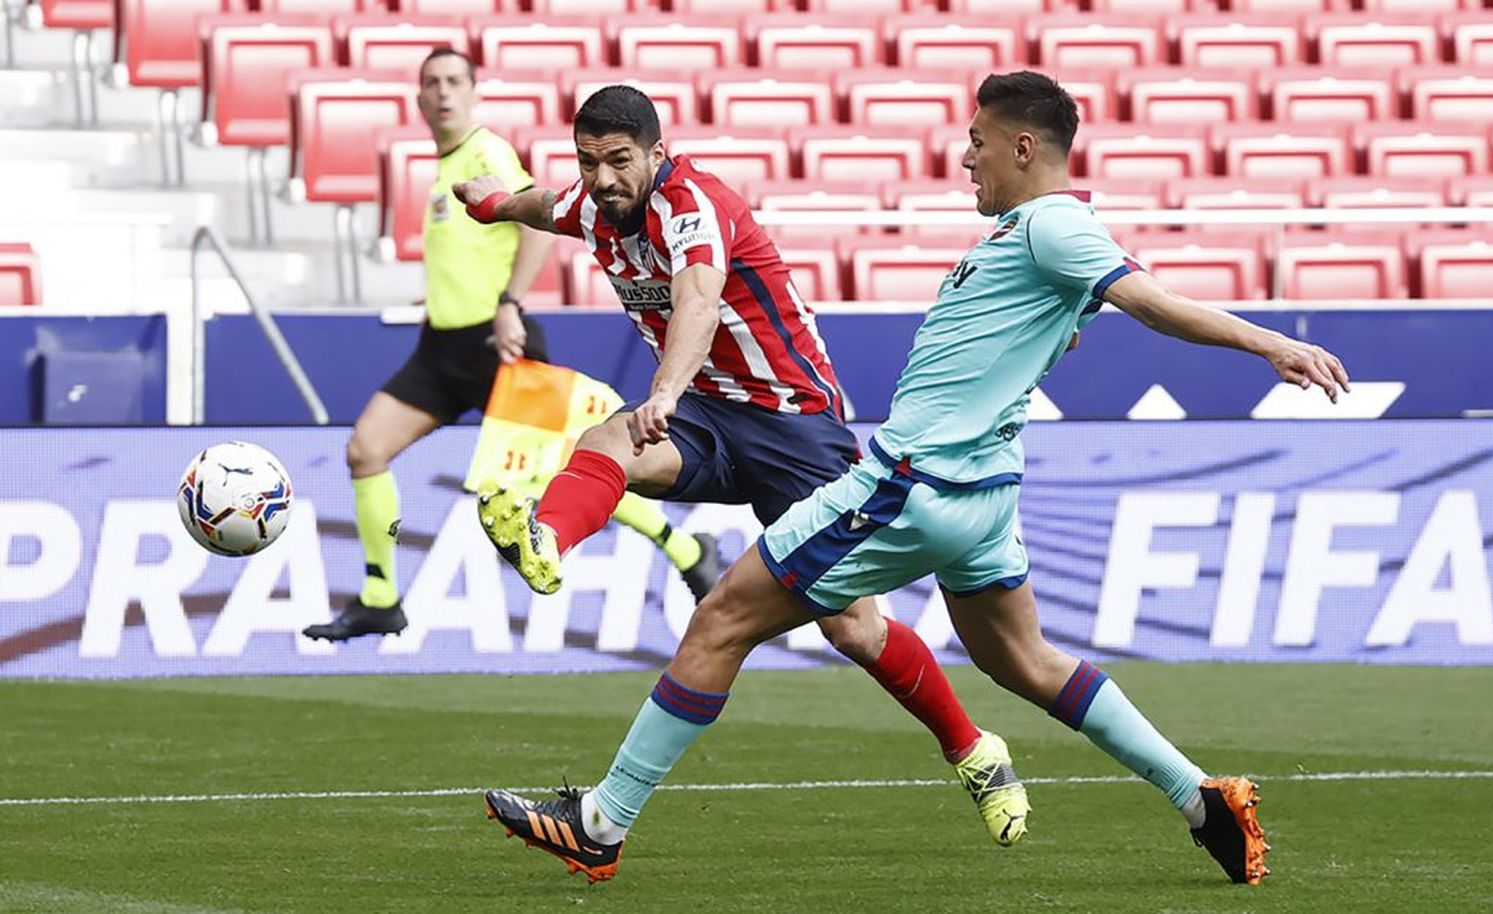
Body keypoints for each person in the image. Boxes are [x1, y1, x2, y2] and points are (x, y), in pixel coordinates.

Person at [478, 71, 1352, 886]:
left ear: (1021, 147)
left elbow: (1150, 299)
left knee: (723, 617)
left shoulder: (1055, 223)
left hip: (912, 482)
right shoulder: (1024, 242)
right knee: (1026, 662)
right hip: (981, 500)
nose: (963, 154)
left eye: (977, 139)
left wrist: (1271, 343)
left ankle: (603, 820)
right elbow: (1056, 323)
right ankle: (1201, 799)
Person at [454, 85, 1030, 846]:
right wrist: (493, 203)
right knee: (605, 445)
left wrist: (664, 390)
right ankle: (547, 544)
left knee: (853, 630)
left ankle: (974, 750)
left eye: (619, 161)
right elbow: (540, 205)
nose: (602, 178)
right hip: (709, 416)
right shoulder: (595, 205)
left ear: (658, 153)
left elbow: (697, 297)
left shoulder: (695, 204)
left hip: (792, 424)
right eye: (588, 162)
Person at [304, 52, 714, 642]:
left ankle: (683, 547)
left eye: (454, 82)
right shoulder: (444, 165)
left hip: (499, 345)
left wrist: (509, 303)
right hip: (442, 348)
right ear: (418, 99)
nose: (443, 93)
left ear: (474, 93)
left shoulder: (485, 152)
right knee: (365, 449)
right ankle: (379, 597)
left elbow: (536, 229)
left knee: (559, 474)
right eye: (432, 84)